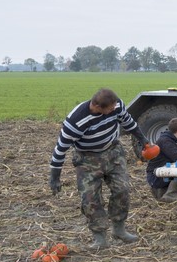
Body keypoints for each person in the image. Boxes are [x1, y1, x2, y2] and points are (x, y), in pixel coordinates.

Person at [49, 88, 151, 249]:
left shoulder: (116, 106)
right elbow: (60, 149)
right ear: (97, 106)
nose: (113, 110)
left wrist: (143, 140)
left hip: (113, 152)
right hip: (87, 159)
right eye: (109, 109)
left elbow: (129, 123)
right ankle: (100, 238)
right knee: (90, 199)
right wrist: (54, 177)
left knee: (122, 189)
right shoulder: (75, 122)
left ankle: (119, 229)